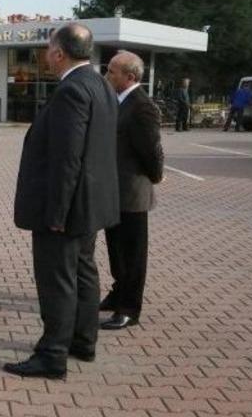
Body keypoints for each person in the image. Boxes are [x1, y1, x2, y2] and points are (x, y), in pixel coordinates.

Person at [4, 23, 120, 379]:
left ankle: (52, 354)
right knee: (84, 271)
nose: (45, 55)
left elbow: (67, 157)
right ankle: (83, 341)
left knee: (58, 280)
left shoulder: (72, 89)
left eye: (48, 49)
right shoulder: (100, 84)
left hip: (66, 207)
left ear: (59, 53)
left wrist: (56, 212)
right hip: (91, 204)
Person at [100, 50, 164, 331]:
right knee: (116, 249)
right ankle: (118, 293)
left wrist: (155, 177)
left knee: (132, 253)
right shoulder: (117, 100)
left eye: (112, 70)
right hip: (114, 191)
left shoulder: (141, 106)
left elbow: (151, 150)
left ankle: (129, 308)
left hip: (132, 193)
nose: (107, 74)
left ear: (129, 76)